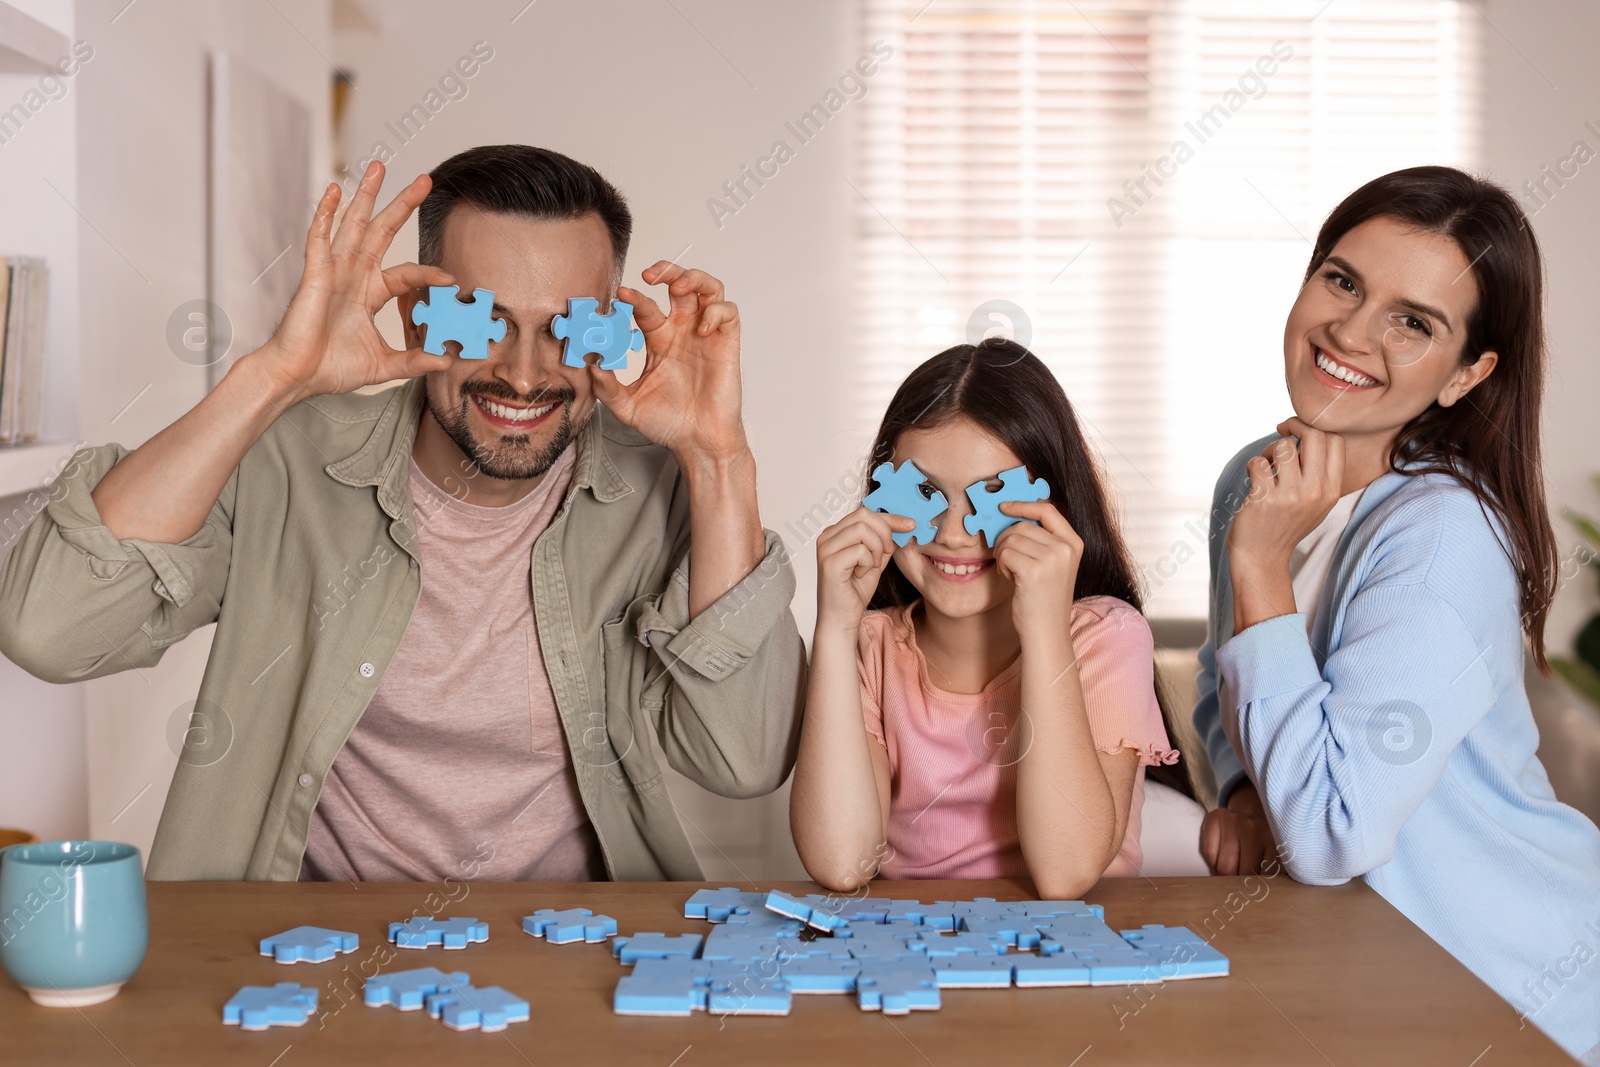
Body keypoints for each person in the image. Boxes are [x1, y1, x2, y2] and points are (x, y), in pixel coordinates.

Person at [0, 145, 806, 884]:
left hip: (573, 957)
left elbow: (742, 758)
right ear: (420, 315)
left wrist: (718, 459)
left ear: (607, 334)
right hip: (308, 955)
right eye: (482, 319)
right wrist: (274, 376)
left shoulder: (659, 490)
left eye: (565, 329)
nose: (523, 375)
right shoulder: (289, 463)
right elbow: (50, 627)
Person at [1191, 165, 1600, 1062]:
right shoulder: (1252, 478)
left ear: (1467, 374)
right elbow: (1218, 681)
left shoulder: (1445, 536)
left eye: (1413, 322)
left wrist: (1262, 565)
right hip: (1355, 971)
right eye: (1342, 279)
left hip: (1510, 991)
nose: (1350, 330)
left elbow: (1334, 828)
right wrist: (1243, 786)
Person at [790, 340, 1182, 897]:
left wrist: (1046, 631)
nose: (953, 534)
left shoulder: (1105, 635)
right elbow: (843, 863)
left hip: (1075, 956)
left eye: (993, 500)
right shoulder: (869, 647)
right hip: (916, 954)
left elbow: (1065, 873)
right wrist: (834, 626)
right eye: (924, 494)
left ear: (1053, 508)